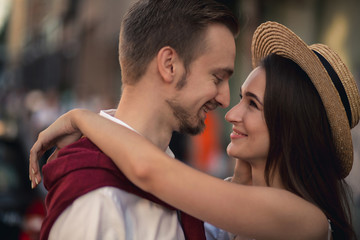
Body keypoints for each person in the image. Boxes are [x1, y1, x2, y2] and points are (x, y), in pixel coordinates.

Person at [30, 21, 360, 239]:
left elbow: (149, 170)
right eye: (240, 97)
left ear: (291, 128)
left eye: (253, 104)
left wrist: (81, 118)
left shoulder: (306, 220)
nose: (231, 112)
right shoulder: (246, 199)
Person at [28, 0, 239, 239]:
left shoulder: (176, 188)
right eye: (217, 77)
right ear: (169, 65)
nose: (225, 99)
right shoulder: (98, 203)